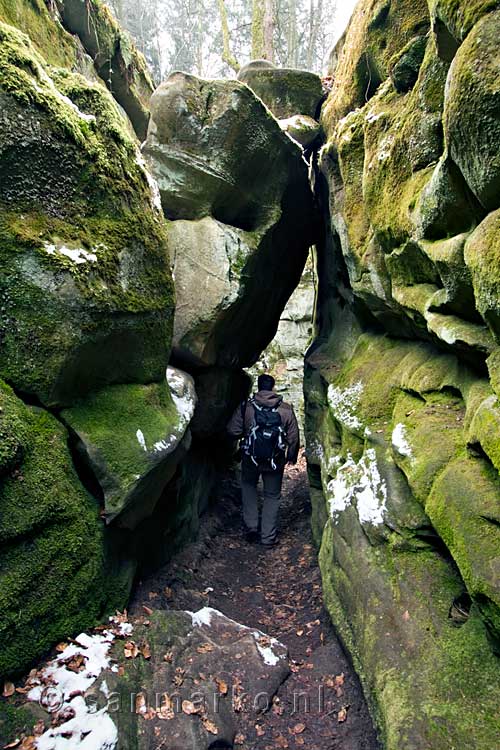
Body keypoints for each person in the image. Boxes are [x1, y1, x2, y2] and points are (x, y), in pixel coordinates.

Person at [227, 374, 300, 547]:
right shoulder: (286, 409)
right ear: (273, 388)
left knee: (249, 487)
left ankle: (251, 527)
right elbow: (294, 438)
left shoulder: (247, 407)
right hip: (275, 460)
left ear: (258, 387)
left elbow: (232, 430)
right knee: (272, 496)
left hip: (250, 458)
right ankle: (268, 537)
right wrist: (291, 456)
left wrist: (245, 436)